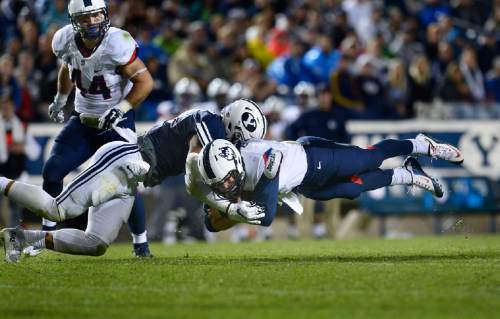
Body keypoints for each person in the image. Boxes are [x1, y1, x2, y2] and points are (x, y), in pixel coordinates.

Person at [0, 99, 267, 263]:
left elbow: (194, 183)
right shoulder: (210, 121)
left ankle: (22, 239)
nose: (239, 144)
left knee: (96, 243)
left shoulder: (213, 140)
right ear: (233, 123)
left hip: (132, 179)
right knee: (57, 209)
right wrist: (231, 202)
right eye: (241, 137)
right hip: (124, 161)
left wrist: (230, 207)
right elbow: (201, 152)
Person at [41, 0, 154, 257]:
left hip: (116, 123)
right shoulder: (65, 41)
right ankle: (45, 233)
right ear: (74, 21)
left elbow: (145, 82)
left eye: (95, 16)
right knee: (52, 170)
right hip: (83, 119)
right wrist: (60, 100)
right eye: (84, 18)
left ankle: (141, 244)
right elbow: (67, 68)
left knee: (128, 181)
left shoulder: (117, 42)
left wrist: (120, 109)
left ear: (104, 15)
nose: (91, 22)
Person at [186, 136, 463, 232]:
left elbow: (266, 216)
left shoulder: (260, 160)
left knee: (372, 158)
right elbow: (212, 220)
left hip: (315, 158)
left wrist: (234, 210)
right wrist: (223, 207)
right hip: (304, 182)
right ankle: (410, 174)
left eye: (230, 178)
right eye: (222, 183)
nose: (229, 184)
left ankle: (423, 146)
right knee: (352, 189)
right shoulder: (217, 169)